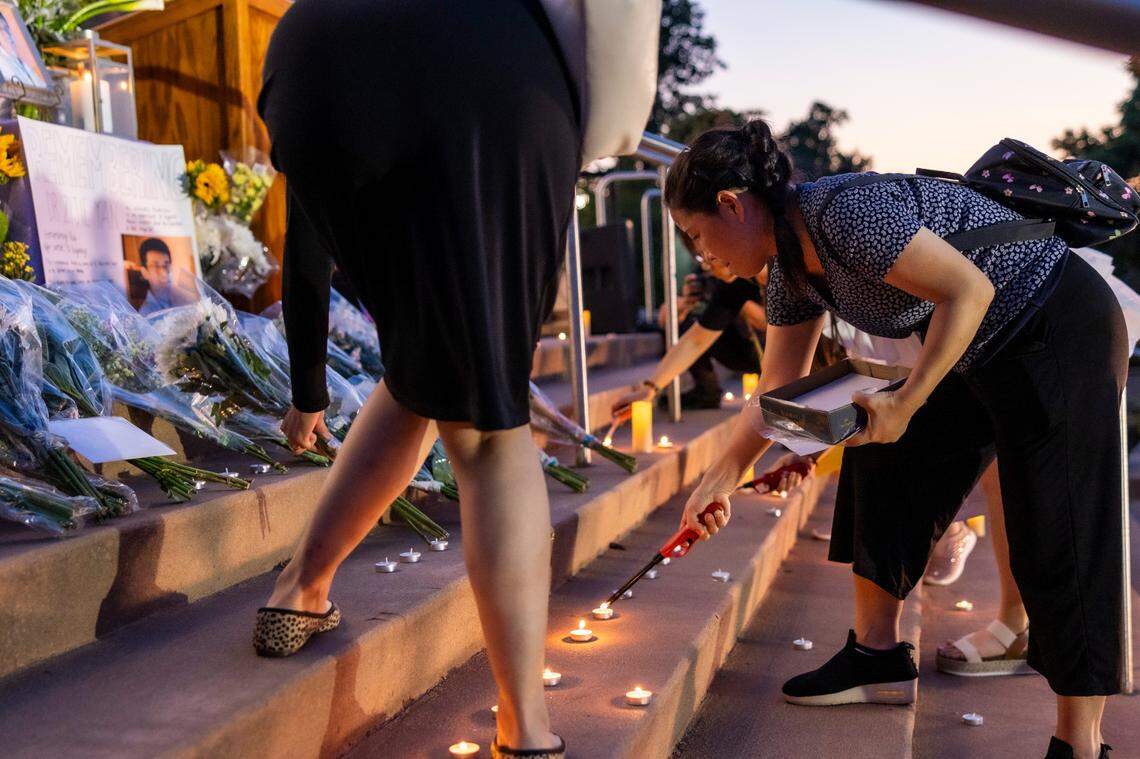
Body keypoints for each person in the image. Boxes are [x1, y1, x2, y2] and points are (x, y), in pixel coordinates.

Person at [666, 120, 1127, 759]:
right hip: (976, 346)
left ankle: (1082, 743)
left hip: (1057, 321)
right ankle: (874, 654)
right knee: (882, 448)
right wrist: (719, 479)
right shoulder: (788, 273)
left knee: (1060, 520)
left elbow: (970, 287)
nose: (700, 256)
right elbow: (779, 393)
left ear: (732, 206)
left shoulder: (845, 210)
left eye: (695, 235)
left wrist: (907, 402)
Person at [252, 1, 625, 756]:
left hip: (313, 52)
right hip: (486, 60)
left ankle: (299, 589)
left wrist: (307, 391)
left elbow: (306, 248)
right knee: (487, 425)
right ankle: (525, 730)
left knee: (427, 363)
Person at [611, 253, 763, 415]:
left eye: (699, 236)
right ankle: (706, 390)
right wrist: (686, 302)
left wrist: (736, 304)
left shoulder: (768, 270)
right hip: (732, 351)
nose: (705, 263)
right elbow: (688, 334)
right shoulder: (717, 278)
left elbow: (764, 323)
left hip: (759, 349)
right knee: (688, 322)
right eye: (700, 257)